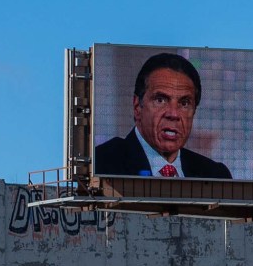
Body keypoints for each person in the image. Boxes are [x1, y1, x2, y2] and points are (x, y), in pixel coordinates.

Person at [94, 52, 231, 179]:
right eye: (160, 100)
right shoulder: (101, 163)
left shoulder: (215, 174)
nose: (173, 114)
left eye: (184, 103)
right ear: (137, 107)